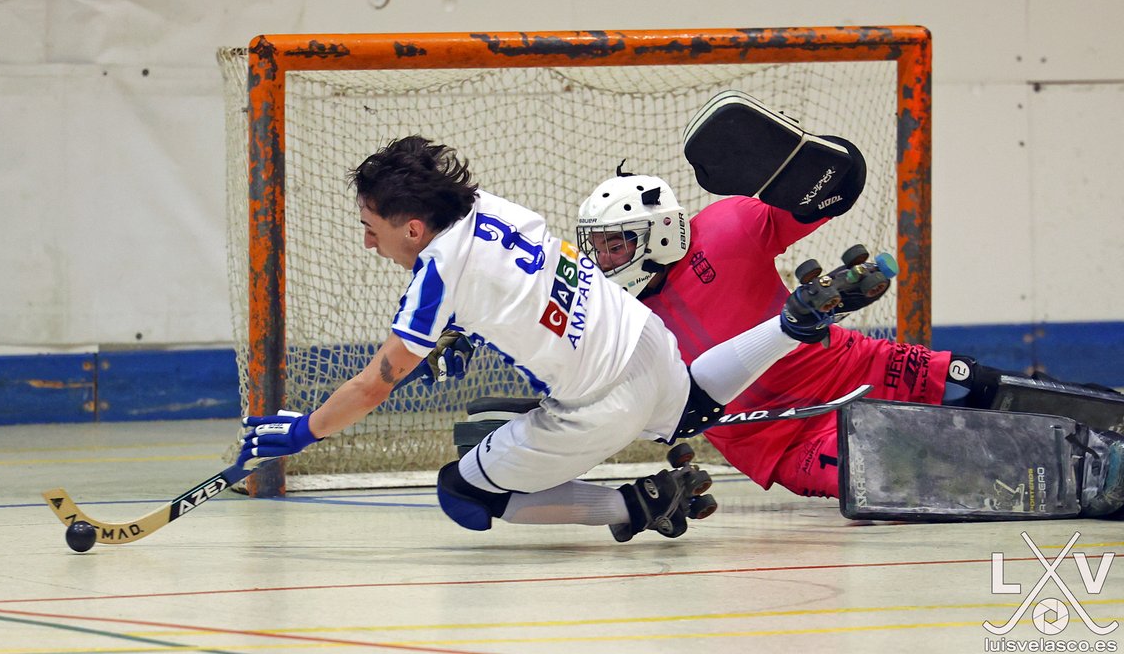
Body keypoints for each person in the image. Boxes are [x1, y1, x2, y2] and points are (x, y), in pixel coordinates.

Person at [234, 135, 891, 541]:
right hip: (652, 342)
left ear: (412, 228)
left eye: (371, 224)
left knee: (464, 494)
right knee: (690, 408)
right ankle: (791, 325)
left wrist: (303, 433)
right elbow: (507, 288)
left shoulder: (436, 274)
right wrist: (458, 330)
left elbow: (375, 381)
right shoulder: (490, 206)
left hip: (600, 406)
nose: (366, 238)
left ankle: (630, 507)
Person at [573, 155, 1124, 516]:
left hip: (854, 364)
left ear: (661, 229)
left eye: (615, 244)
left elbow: (825, 195)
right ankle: (1101, 479)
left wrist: (814, 155)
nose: (603, 259)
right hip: (789, 443)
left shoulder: (729, 227)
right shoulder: (613, 314)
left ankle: (1110, 423)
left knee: (981, 387)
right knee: (938, 463)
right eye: (597, 247)